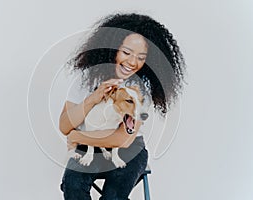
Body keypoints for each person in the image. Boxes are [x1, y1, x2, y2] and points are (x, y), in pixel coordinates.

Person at [59, 13, 186, 200]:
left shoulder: (142, 87)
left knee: (114, 196)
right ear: (112, 49)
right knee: (73, 186)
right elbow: (64, 126)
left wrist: (78, 135)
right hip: (91, 146)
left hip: (129, 149)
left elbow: (123, 140)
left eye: (141, 57)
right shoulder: (87, 77)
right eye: (126, 53)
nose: (132, 62)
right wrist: (94, 98)